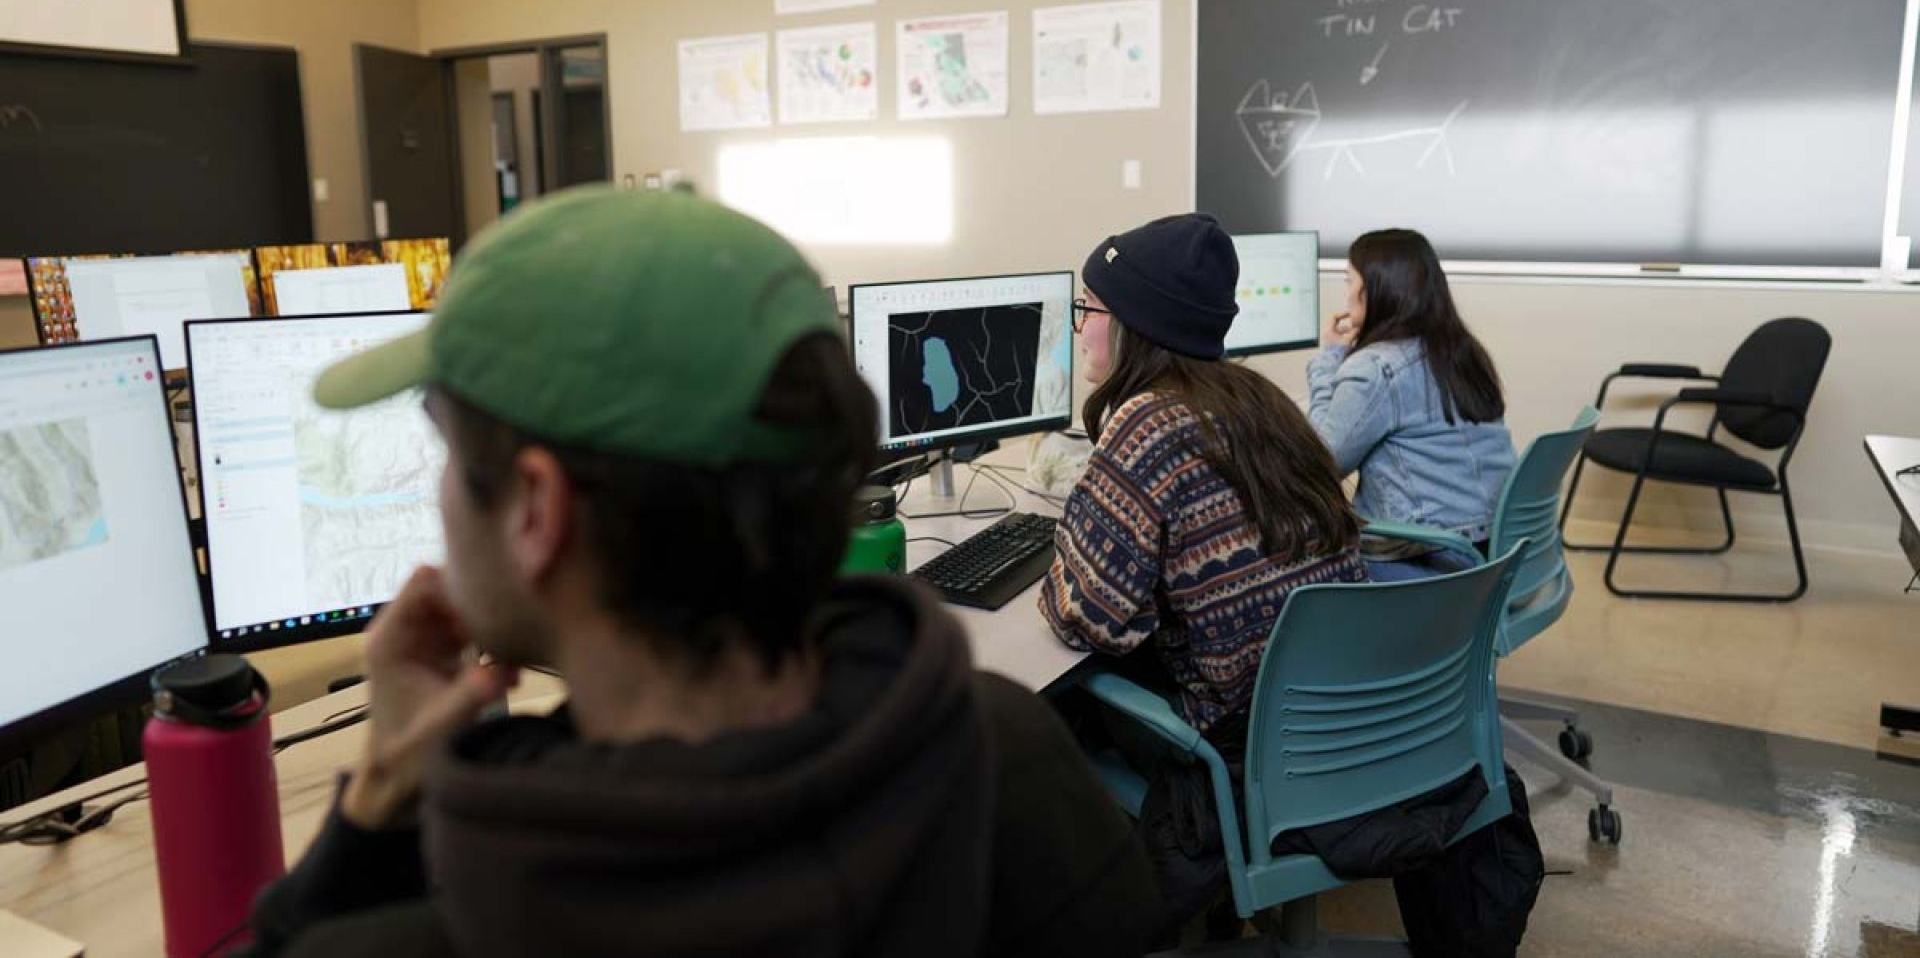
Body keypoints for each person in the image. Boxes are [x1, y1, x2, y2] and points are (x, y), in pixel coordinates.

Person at [240, 189, 1160, 958]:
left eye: (446, 454)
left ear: (534, 510)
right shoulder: (1008, 755)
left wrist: (375, 808)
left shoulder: (422, 939)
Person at [1038, 213, 1366, 937]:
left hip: (1234, 744)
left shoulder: (1144, 424)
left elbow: (1092, 616)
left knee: (1033, 710)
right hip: (1340, 723)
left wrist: (1062, 550)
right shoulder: (1262, 403)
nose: (1078, 326)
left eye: (1087, 309)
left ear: (1133, 324)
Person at [1307, 228, 1516, 581]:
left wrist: (1329, 360)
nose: (1346, 294)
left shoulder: (1376, 368)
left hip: (1428, 560)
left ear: (1372, 289)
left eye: (1348, 281)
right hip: (1493, 551)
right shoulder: (1461, 349)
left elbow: (1320, 464)